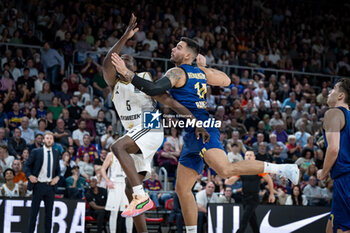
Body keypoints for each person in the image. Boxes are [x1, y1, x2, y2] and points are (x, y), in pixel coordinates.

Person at [113, 35, 299, 232]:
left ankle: (282, 169)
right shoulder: (201, 73)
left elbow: (153, 89)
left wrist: (128, 73)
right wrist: (204, 67)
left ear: (187, 55)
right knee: (182, 189)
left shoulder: (176, 72)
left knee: (225, 170)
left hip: (201, 127)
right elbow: (226, 80)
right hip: (192, 132)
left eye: (178, 47)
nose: (173, 49)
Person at [103, 14, 209, 233]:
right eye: (123, 60)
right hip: (135, 133)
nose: (126, 61)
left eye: (130, 61)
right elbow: (107, 60)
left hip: (150, 127)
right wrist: (124, 37)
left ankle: (142, 195)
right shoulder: (114, 84)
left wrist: (193, 120)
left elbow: (169, 101)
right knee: (128, 192)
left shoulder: (144, 78)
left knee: (117, 147)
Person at [317, 79, 350, 232]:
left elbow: (334, 149)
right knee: (331, 226)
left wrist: (323, 173)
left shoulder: (333, 112)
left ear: (340, 96)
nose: (329, 92)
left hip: (345, 179)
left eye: (333, 89)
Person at [225, 151, 276, 233]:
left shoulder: (258, 169)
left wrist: (271, 194)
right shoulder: (241, 170)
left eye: (250, 155)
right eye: (247, 155)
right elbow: (230, 181)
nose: (248, 156)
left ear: (254, 158)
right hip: (244, 198)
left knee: (244, 220)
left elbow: (269, 180)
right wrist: (226, 178)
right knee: (253, 221)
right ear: (244, 158)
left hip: (254, 198)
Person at [23, 132, 60, 233]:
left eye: (51, 138)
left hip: (50, 187)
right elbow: (26, 165)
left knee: (49, 215)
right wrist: (30, 176)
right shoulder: (36, 151)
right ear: (43, 140)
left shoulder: (56, 153)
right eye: (47, 138)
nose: (49, 140)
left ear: (53, 141)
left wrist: (57, 177)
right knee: (34, 214)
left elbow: (58, 171)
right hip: (38, 185)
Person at [100, 152, 133, 233]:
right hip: (115, 185)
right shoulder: (111, 155)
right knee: (114, 212)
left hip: (126, 185)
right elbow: (102, 169)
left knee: (129, 213)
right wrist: (107, 181)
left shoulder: (130, 154)